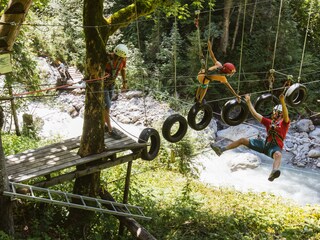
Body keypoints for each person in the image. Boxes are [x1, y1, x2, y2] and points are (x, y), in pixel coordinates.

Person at [210, 93, 290, 182]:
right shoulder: (269, 122)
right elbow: (255, 114)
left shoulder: (285, 123)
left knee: (278, 155)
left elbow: (286, 115)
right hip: (265, 145)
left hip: (275, 148)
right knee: (242, 140)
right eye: (274, 112)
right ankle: (221, 150)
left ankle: (273, 172)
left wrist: (282, 101)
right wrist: (248, 102)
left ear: (280, 114)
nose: (274, 114)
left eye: (276, 113)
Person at [104, 43, 128, 140]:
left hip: (111, 84)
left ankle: (103, 125)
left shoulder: (123, 60)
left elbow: (123, 70)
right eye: (117, 57)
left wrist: (124, 82)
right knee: (107, 105)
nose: (119, 59)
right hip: (102, 85)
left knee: (107, 107)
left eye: (121, 58)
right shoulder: (107, 58)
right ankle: (110, 129)